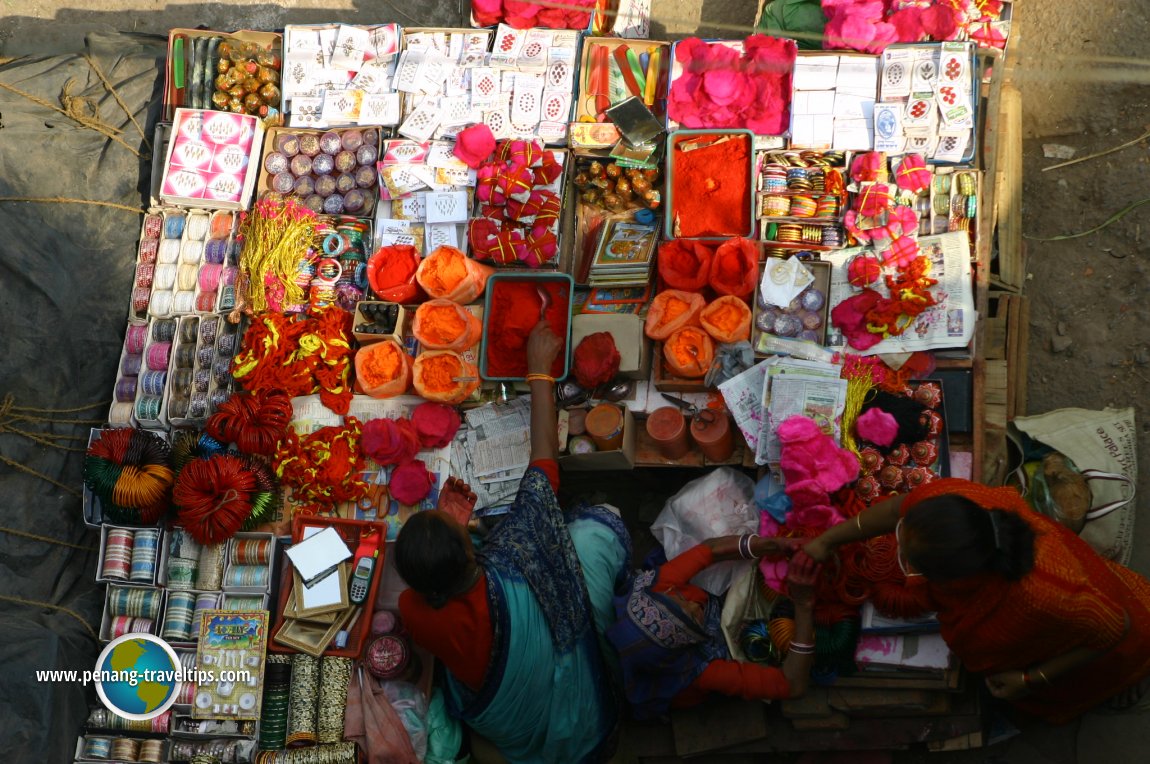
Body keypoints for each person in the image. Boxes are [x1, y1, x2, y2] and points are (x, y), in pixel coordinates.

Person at [395, 321, 630, 763]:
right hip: (575, 715)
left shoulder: (414, 609)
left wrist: (466, 531)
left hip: (510, 725)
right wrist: (539, 371)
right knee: (595, 528)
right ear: (469, 550)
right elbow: (544, 466)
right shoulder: (517, 555)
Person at [803, 477, 1150, 723]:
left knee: (1095, 678)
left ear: (955, 578)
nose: (900, 556)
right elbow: (898, 508)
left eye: (911, 561)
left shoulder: (1046, 594)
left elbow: (1115, 627)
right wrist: (828, 540)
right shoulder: (953, 501)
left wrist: (1030, 680)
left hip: (1105, 641)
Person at [606, 534, 820, 720]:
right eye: (693, 616)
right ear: (688, 641)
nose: (692, 603)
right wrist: (804, 605)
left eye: (680, 598)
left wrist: (775, 544)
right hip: (690, 675)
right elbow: (793, 685)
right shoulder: (701, 669)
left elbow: (711, 549)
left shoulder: (656, 591)